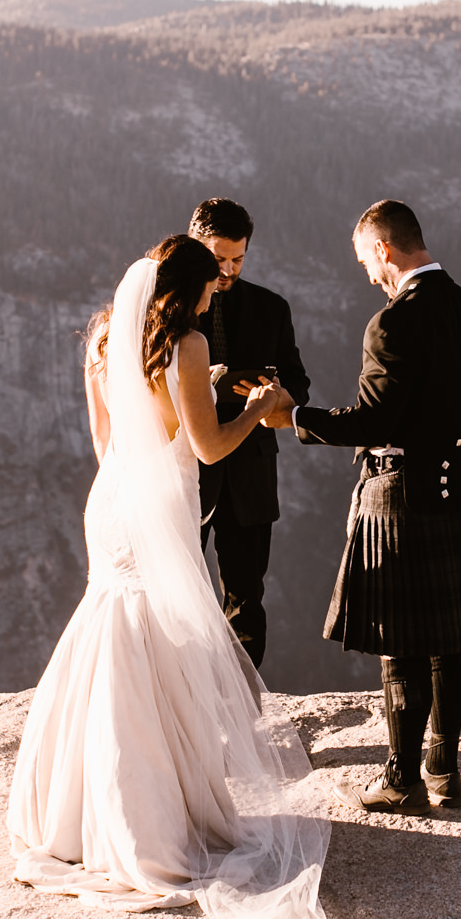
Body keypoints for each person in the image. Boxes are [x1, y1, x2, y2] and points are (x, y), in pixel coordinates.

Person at [5, 235, 333, 919]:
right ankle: (153, 820)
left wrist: (148, 455)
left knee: (112, 627)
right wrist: (259, 406)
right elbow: (210, 445)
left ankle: (74, 810)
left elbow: (104, 432)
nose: (221, 290)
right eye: (214, 282)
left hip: (114, 495)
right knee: (154, 638)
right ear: (189, 289)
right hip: (161, 501)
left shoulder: (105, 336)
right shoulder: (183, 343)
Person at [271, 200, 461, 813]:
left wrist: (292, 417)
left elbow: (376, 419)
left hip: (400, 494)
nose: (368, 277)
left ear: (383, 250)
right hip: (457, 492)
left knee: (402, 643)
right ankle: (445, 771)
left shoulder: (393, 324)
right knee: (449, 640)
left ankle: (401, 780)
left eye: (364, 262)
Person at [188, 198, 310, 670]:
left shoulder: (271, 308)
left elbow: (299, 382)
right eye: (218, 258)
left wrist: (276, 395)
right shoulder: (169, 312)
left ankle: (245, 717)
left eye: (238, 258)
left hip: (251, 475)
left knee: (246, 604)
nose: (228, 269)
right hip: (187, 473)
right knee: (177, 599)